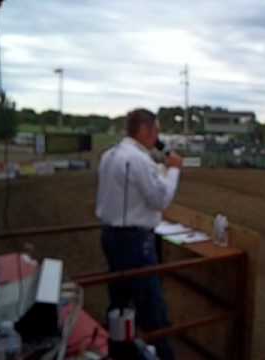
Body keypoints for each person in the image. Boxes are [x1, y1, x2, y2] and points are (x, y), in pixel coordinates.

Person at [96, 109, 182, 360]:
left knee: (119, 304)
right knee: (153, 311)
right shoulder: (138, 160)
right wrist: (174, 170)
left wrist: (161, 170)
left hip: (111, 236)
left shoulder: (108, 155)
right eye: (155, 131)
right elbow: (160, 199)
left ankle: (119, 352)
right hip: (134, 240)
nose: (157, 137)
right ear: (144, 130)